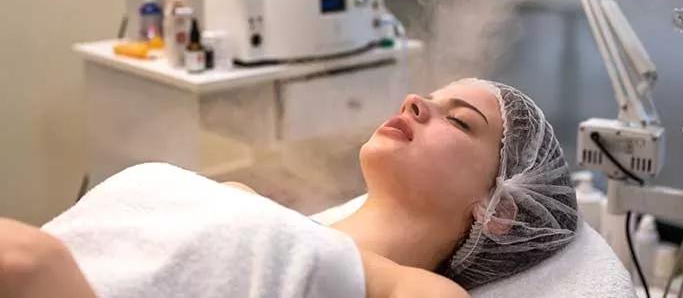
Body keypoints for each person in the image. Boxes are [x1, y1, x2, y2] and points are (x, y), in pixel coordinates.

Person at [0, 78, 578, 297]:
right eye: (427, 97)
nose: (413, 102)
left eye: (459, 121)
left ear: (498, 210)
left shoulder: (421, 292)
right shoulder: (241, 198)